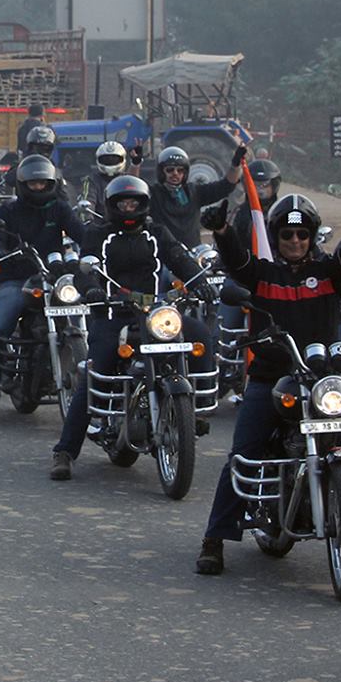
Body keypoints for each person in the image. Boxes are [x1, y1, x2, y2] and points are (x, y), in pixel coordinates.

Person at [195, 195, 341, 575]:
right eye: (287, 235)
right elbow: (237, 262)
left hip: (323, 381)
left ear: (312, 237)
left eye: (302, 234)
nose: (295, 241)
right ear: (276, 238)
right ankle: (215, 537)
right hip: (270, 378)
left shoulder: (329, 274)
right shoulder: (263, 275)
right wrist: (222, 230)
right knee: (243, 454)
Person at [46, 175, 207, 480]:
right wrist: (91, 288)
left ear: (144, 204)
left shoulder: (157, 232)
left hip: (155, 313)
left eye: (134, 202)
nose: (129, 208)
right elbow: (85, 268)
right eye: (123, 203)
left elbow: (179, 257)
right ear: (112, 206)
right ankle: (65, 452)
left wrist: (199, 281)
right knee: (98, 370)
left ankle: (195, 409)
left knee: (199, 334)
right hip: (113, 314)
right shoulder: (98, 233)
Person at [0, 155, 88, 424]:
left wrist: (94, 249)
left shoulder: (59, 209)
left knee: (88, 318)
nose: (38, 187)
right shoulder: (8, 211)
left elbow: (81, 234)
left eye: (42, 183)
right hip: (17, 279)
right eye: (33, 183)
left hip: (53, 279)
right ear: (23, 185)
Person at [148, 145, 245, 249]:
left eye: (180, 170)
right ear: (161, 172)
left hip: (193, 253)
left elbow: (226, 186)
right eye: (170, 170)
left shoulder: (194, 192)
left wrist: (235, 165)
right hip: (163, 253)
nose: (175, 173)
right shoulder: (153, 194)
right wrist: (137, 164)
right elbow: (135, 193)